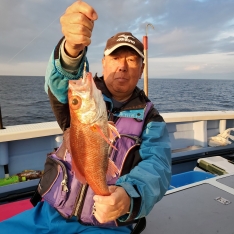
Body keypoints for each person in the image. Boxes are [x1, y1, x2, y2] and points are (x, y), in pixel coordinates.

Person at [0, 1, 171, 234]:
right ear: (103, 62)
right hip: (49, 213)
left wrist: (128, 196)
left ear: (141, 69)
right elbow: (63, 80)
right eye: (115, 57)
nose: (122, 66)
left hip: (106, 225)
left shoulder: (151, 120)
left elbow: (157, 168)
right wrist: (72, 48)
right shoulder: (87, 94)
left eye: (131, 60)